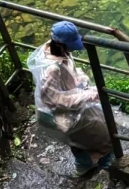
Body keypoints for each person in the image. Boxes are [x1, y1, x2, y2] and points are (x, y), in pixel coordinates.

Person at [26, 21, 114, 175]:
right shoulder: (52, 69)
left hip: (70, 108)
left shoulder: (56, 51)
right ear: (61, 44)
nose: (74, 48)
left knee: (80, 140)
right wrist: (86, 95)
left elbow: (69, 74)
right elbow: (52, 100)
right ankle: (108, 168)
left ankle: (84, 166)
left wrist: (80, 79)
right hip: (62, 114)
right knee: (104, 138)